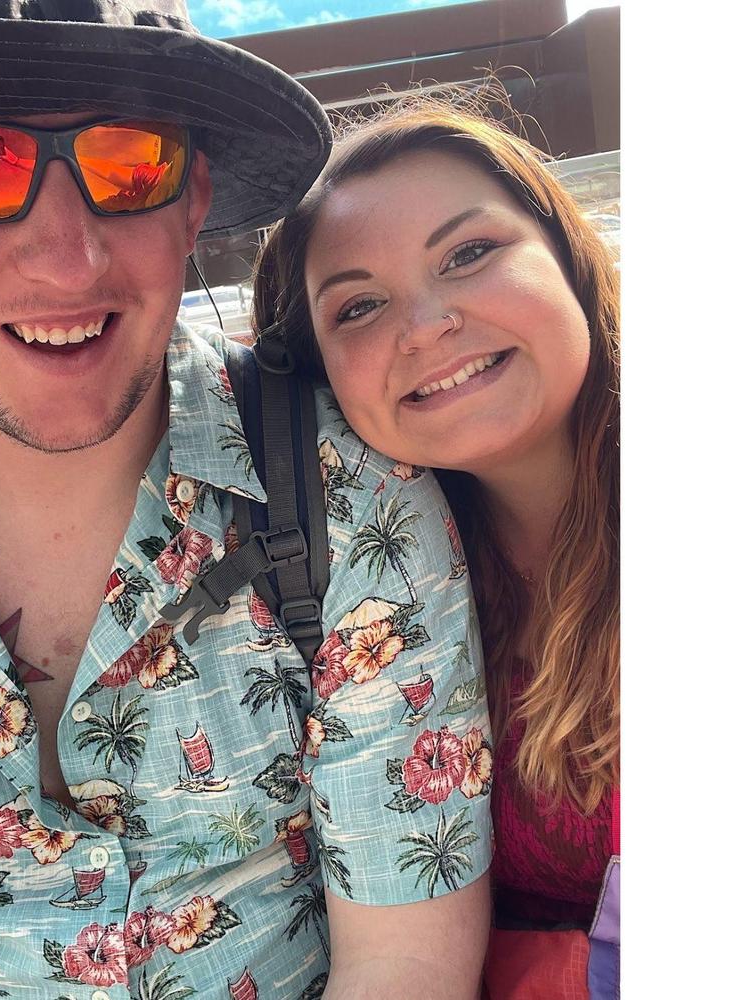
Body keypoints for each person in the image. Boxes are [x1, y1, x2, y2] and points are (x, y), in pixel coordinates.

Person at [0, 4, 494, 999]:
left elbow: (404, 961)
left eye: (130, 163)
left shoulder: (346, 496)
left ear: (191, 201)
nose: (70, 259)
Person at [251, 91, 620, 995]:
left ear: (566, 255)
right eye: (358, 308)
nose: (425, 325)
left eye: (468, 254)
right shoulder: (359, 598)